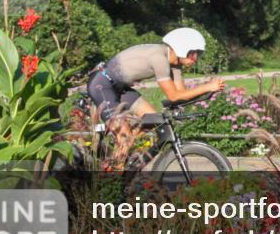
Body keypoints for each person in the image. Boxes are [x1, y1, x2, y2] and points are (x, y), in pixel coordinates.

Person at [87, 27, 225, 163]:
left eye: (199, 54)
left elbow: (181, 96)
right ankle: (111, 178)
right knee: (124, 136)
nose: (196, 58)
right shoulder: (159, 58)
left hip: (120, 88)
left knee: (154, 120)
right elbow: (173, 96)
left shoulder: (175, 64)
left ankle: (122, 156)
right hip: (102, 84)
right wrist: (206, 86)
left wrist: (208, 90)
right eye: (193, 53)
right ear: (182, 48)